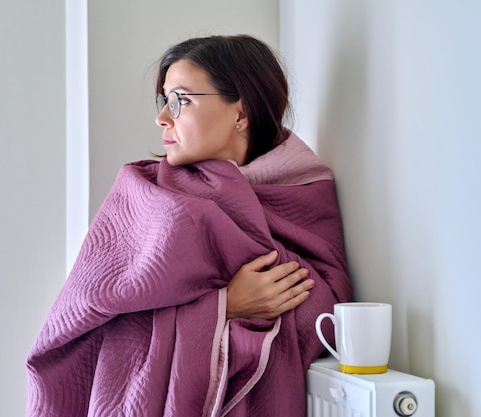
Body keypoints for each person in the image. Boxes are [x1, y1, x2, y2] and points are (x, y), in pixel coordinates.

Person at [26, 35, 352, 417]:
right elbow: (76, 326)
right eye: (164, 100)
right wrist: (223, 307)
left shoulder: (303, 191)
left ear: (241, 113)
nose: (162, 117)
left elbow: (328, 314)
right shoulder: (144, 196)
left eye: (181, 100)